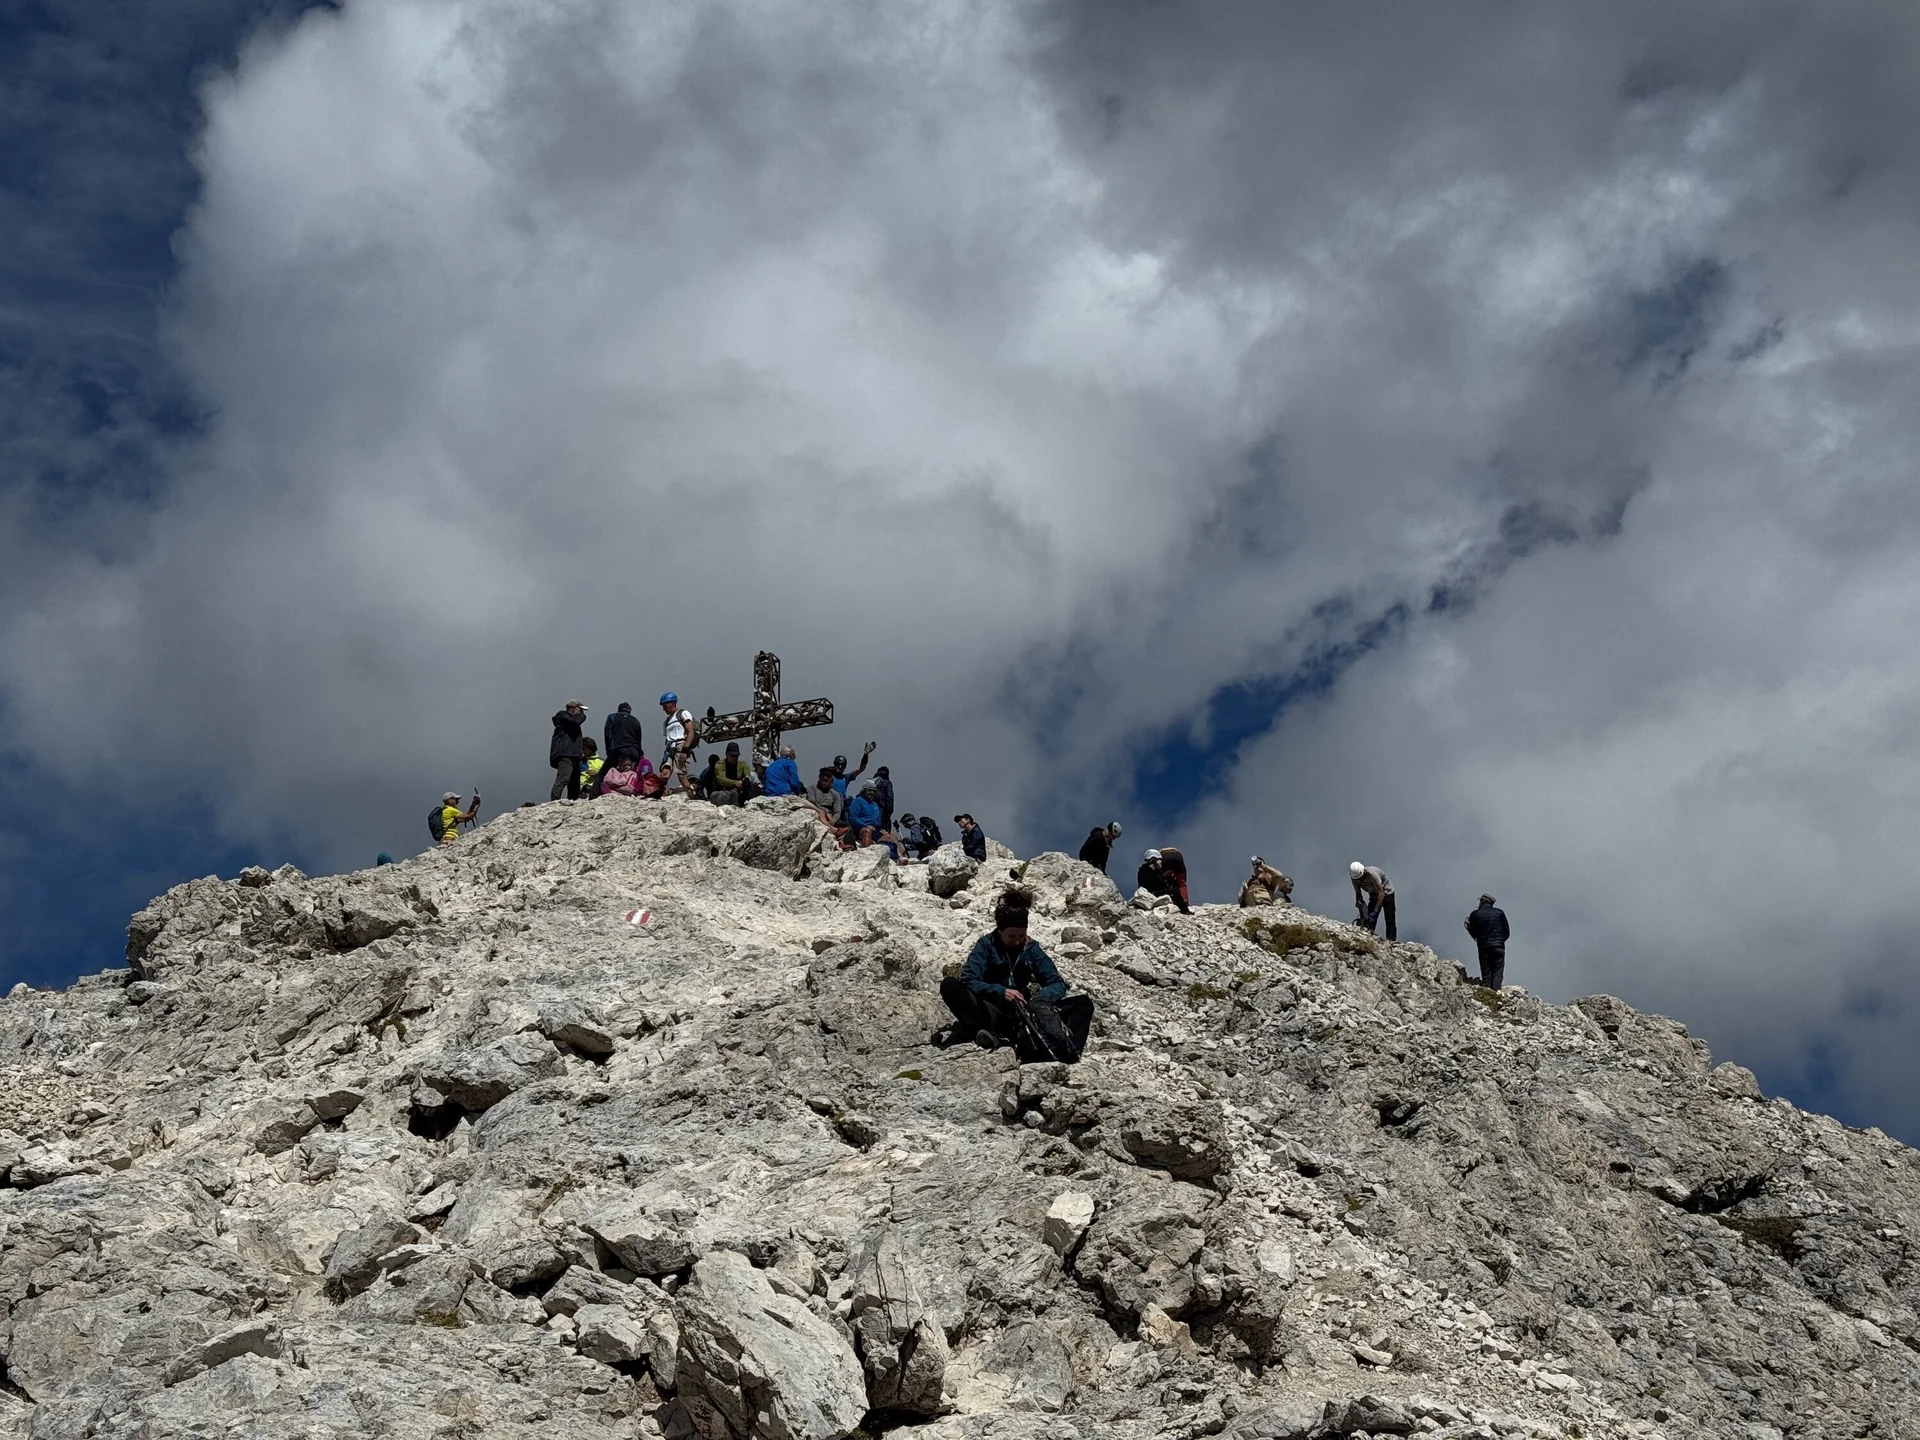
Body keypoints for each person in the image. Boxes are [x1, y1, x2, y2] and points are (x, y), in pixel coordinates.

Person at [935, 887, 1094, 1061]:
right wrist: (1001, 992)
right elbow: (969, 978)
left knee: (1083, 1004)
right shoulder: (986, 945)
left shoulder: (1031, 948)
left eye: (1021, 935)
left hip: (1023, 1011)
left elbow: (1056, 982)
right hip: (991, 1009)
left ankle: (1070, 1049)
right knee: (949, 986)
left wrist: (1041, 1001)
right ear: (1000, 931)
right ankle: (986, 1031)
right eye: (1012, 936)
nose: (1017, 940)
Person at [1464, 893, 1509, 988]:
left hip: (1483, 946)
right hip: (1498, 945)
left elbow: (1474, 932)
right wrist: (1500, 941)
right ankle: (1497, 991)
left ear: (1482, 901)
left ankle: (1487, 990)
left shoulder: (1475, 914)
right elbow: (1507, 931)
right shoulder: (1499, 912)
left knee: (1486, 970)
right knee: (1497, 970)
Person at [659, 693, 698, 796]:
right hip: (669, 748)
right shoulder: (667, 721)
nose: (664, 709)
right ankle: (661, 795)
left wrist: (685, 749)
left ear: (672, 703)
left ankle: (692, 793)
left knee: (681, 776)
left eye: (665, 705)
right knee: (664, 775)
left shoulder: (683, 713)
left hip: (681, 746)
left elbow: (690, 732)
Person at [550, 700, 588, 800]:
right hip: (566, 754)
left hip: (575, 755)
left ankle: (573, 801)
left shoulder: (570, 722)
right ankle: (554, 801)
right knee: (563, 778)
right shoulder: (562, 717)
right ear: (572, 709)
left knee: (574, 783)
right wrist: (582, 716)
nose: (582, 713)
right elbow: (576, 721)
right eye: (580, 710)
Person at [1350, 861, 1396, 940]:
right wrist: (1362, 908)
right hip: (1373, 894)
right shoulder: (1354, 878)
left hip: (1387, 892)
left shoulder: (1372, 874)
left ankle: (1391, 940)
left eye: (1360, 878)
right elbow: (1358, 894)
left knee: (1389, 918)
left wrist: (1375, 911)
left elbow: (1381, 894)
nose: (1359, 880)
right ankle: (1369, 937)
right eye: (1357, 879)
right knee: (1369, 919)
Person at [1137, 848, 1191, 914]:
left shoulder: (1144, 870)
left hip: (1152, 892)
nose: (1161, 862)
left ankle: (1183, 905)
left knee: (1172, 886)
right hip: (1153, 893)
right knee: (1176, 889)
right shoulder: (1148, 871)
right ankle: (1185, 910)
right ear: (1155, 860)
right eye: (1160, 860)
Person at [809, 767, 850, 839]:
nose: (825, 778)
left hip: (831, 817)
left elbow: (837, 811)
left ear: (831, 779)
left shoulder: (835, 794)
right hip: (816, 812)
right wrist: (825, 812)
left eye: (828, 776)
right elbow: (811, 802)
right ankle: (834, 831)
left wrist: (833, 820)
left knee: (848, 827)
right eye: (823, 775)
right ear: (819, 777)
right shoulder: (811, 788)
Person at [603, 702, 646, 767]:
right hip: (633, 752)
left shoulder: (612, 717)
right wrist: (639, 754)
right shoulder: (635, 720)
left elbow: (608, 735)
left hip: (618, 750)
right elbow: (638, 739)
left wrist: (609, 752)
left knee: (604, 774)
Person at [872, 766, 896, 834]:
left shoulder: (874, 783)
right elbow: (889, 797)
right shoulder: (887, 783)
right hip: (883, 810)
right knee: (883, 831)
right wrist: (889, 812)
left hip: (873, 809)